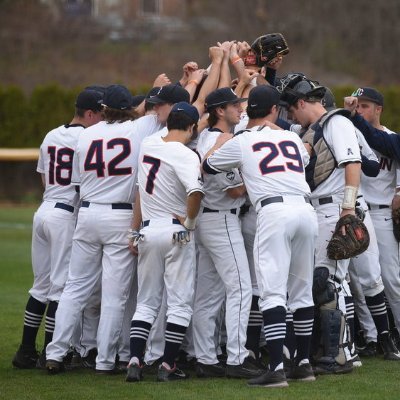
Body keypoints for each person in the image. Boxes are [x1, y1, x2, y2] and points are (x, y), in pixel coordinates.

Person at [202, 84, 318, 388]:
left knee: (271, 292)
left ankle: (277, 368)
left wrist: (222, 143)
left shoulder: (241, 141)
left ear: (248, 110)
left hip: (273, 211)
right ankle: (303, 365)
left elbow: (208, 165)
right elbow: (305, 158)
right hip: (306, 210)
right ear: (274, 110)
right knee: (301, 291)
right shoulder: (291, 137)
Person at [45, 84, 145, 374]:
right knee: (115, 295)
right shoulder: (137, 131)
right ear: (129, 109)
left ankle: (56, 353)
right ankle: (103, 361)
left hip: (87, 212)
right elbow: (149, 114)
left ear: (102, 109)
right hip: (120, 215)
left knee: (75, 288)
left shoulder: (86, 134)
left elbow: (77, 181)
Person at [12, 89, 103, 369]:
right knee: (60, 288)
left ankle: (25, 350)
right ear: (89, 113)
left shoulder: (51, 134)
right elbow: (82, 185)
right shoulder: (86, 138)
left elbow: (42, 176)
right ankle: (51, 354)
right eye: (100, 113)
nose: (102, 119)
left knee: (41, 286)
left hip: (44, 210)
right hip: (65, 214)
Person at [279, 74, 362, 375]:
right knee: (320, 284)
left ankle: (341, 354)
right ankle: (329, 351)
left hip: (333, 207)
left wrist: (348, 208)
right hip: (314, 209)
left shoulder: (336, 123)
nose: (289, 114)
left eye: (291, 108)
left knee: (329, 284)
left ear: (301, 102)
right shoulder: (308, 130)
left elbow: (353, 164)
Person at [125, 102, 204, 382]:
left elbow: (138, 191)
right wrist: (191, 223)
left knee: (146, 302)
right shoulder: (186, 154)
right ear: (192, 127)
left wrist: (133, 231)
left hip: (147, 230)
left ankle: (135, 359)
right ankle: (168, 364)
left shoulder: (148, 144)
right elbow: (195, 192)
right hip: (176, 231)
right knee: (179, 303)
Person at [193, 87, 264, 379]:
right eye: (235, 105)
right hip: (222, 219)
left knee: (209, 294)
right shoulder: (222, 140)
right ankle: (237, 357)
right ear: (220, 111)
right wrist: (260, 176)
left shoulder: (206, 138)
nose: (240, 109)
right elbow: (235, 190)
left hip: (206, 220)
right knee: (241, 288)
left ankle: (205, 357)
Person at [346, 87, 400, 356]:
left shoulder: (391, 138)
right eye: (358, 105)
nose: (360, 109)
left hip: (383, 215)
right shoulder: (348, 135)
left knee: (391, 279)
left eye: (365, 105)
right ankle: (371, 337)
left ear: (379, 109)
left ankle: (397, 333)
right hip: (359, 211)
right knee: (358, 280)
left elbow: (377, 141)